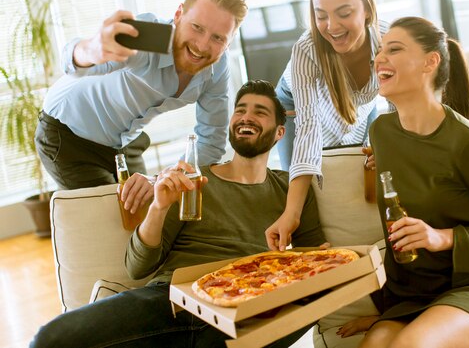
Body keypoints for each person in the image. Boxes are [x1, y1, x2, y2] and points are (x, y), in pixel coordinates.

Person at [31, 80, 327, 348]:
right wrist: (159, 207)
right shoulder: (192, 180)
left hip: (244, 312)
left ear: (279, 133)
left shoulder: (293, 189)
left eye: (260, 112)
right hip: (169, 301)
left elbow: (317, 262)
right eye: (240, 110)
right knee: (49, 340)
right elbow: (137, 268)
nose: (246, 117)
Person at [338, 17, 469, 347]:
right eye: (380, 50)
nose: (379, 58)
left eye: (395, 49)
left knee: (411, 345)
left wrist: (440, 237)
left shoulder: (468, 143)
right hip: (419, 291)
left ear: (430, 62)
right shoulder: (381, 133)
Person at [35, 0, 247, 214]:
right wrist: (92, 49)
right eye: (197, 27)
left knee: (149, 211)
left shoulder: (217, 68)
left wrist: (164, 177)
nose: (202, 45)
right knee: (109, 219)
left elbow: (212, 141)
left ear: (228, 43)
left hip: (124, 142)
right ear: (179, 15)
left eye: (218, 38)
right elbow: (71, 61)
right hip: (68, 132)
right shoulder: (148, 37)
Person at [267, 0, 387, 251]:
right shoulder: (307, 50)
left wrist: (391, 150)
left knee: (364, 169)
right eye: (321, 16)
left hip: (361, 103)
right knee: (307, 190)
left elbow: (401, 108)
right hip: (294, 105)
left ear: (367, 9)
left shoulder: (388, 40)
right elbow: (309, 132)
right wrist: (290, 214)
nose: (331, 27)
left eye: (344, 14)